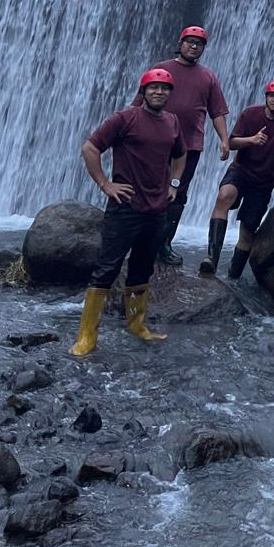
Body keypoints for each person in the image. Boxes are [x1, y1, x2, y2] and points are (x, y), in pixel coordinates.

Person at [70, 68, 187, 357]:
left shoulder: (172, 122)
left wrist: (174, 183)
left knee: (142, 268)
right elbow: (90, 148)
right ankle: (87, 336)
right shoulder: (125, 118)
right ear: (143, 91)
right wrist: (105, 184)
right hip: (125, 209)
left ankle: (137, 325)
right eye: (153, 87)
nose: (159, 92)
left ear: (170, 94)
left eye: (164, 88)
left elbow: (181, 154)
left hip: (157, 209)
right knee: (106, 269)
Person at [134, 25, 229, 266]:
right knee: (147, 188)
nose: (193, 46)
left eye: (199, 43)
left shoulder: (208, 77)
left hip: (188, 147)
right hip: (154, 141)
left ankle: (164, 243)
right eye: (190, 41)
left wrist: (224, 139)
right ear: (181, 43)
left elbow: (216, 112)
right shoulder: (161, 69)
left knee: (178, 195)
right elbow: (137, 104)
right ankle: (139, 239)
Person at [198, 79, 274, 280]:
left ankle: (233, 277)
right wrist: (251, 140)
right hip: (241, 171)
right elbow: (232, 142)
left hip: (262, 182)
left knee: (247, 231)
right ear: (266, 98)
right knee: (224, 196)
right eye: (272, 96)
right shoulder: (250, 114)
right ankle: (211, 259)